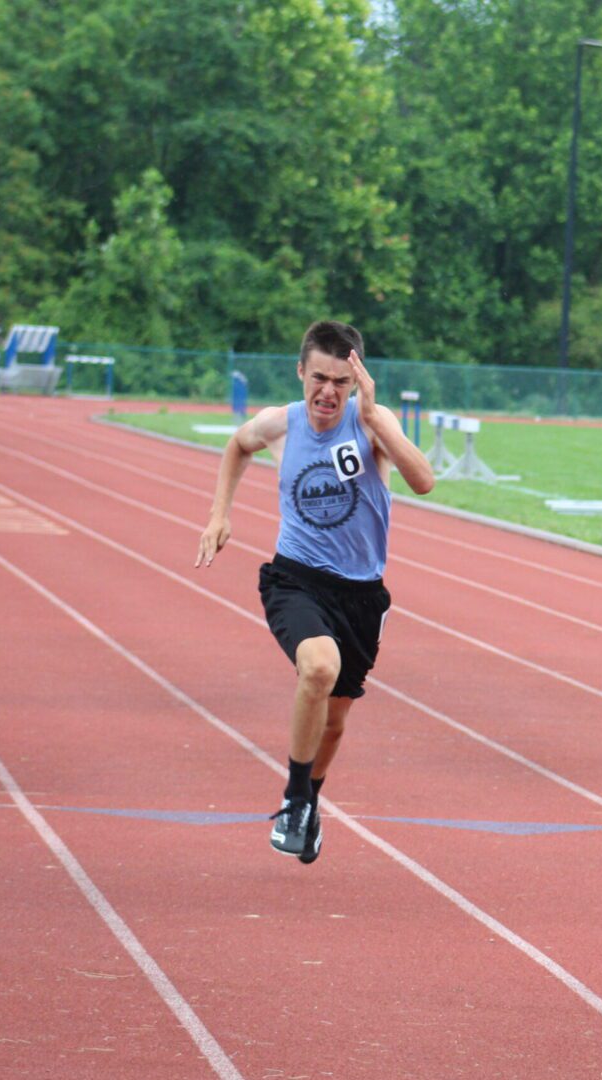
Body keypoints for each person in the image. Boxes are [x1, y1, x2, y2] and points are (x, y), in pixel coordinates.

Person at [195, 321, 435, 863]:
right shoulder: (279, 424)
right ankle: (295, 798)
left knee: (335, 722)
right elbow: (237, 446)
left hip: (360, 594)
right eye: (319, 378)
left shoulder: (372, 423)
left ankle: (309, 800)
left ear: (356, 382)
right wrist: (219, 515)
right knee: (318, 669)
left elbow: (423, 480)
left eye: (340, 383)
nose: (328, 392)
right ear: (301, 372)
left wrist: (374, 418)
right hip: (296, 578)